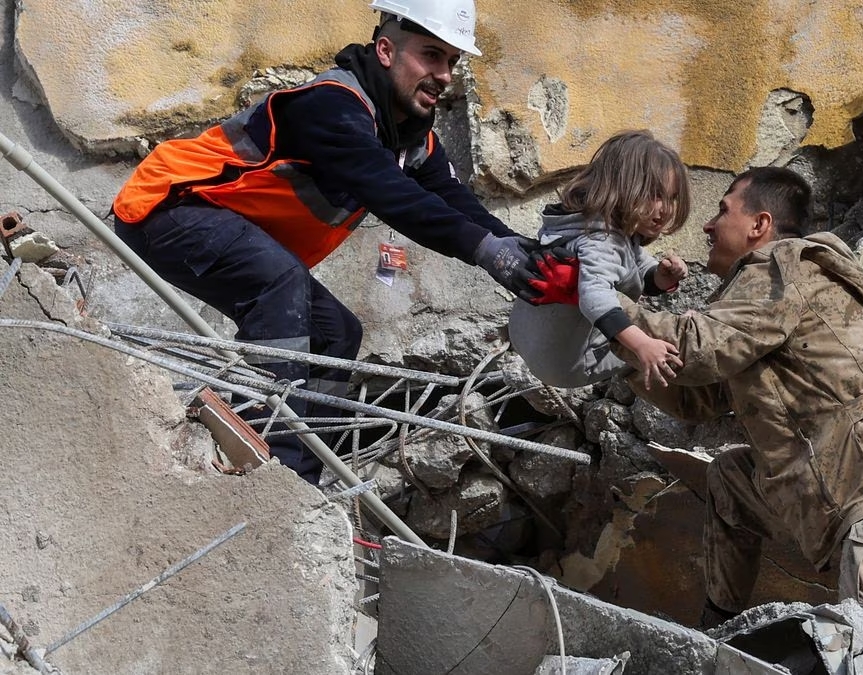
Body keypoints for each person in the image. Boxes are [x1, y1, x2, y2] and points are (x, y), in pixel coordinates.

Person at [110, 0, 571, 485]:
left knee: (336, 333)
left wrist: (521, 248)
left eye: (452, 62)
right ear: (386, 50)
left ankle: (304, 470)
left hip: (223, 224)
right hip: (167, 206)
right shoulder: (331, 105)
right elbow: (390, 192)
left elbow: (452, 199)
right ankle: (265, 462)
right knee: (279, 284)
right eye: (431, 55)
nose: (444, 75)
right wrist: (487, 253)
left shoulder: (411, 137)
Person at [616, 167, 863, 637]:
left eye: (722, 210)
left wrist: (601, 309)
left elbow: (696, 348)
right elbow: (696, 397)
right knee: (731, 477)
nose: (708, 226)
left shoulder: (783, 267)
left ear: (759, 225)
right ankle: (720, 631)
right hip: (844, 496)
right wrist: (615, 355)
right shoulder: (753, 300)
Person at [508, 130, 691, 390]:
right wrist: (642, 345)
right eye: (656, 195)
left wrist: (660, 276)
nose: (666, 209)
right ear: (623, 188)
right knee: (677, 346)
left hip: (527, 338)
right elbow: (595, 298)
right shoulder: (601, 241)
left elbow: (635, 262)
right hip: (571, 366)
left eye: (672, 198)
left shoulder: (584, 224)